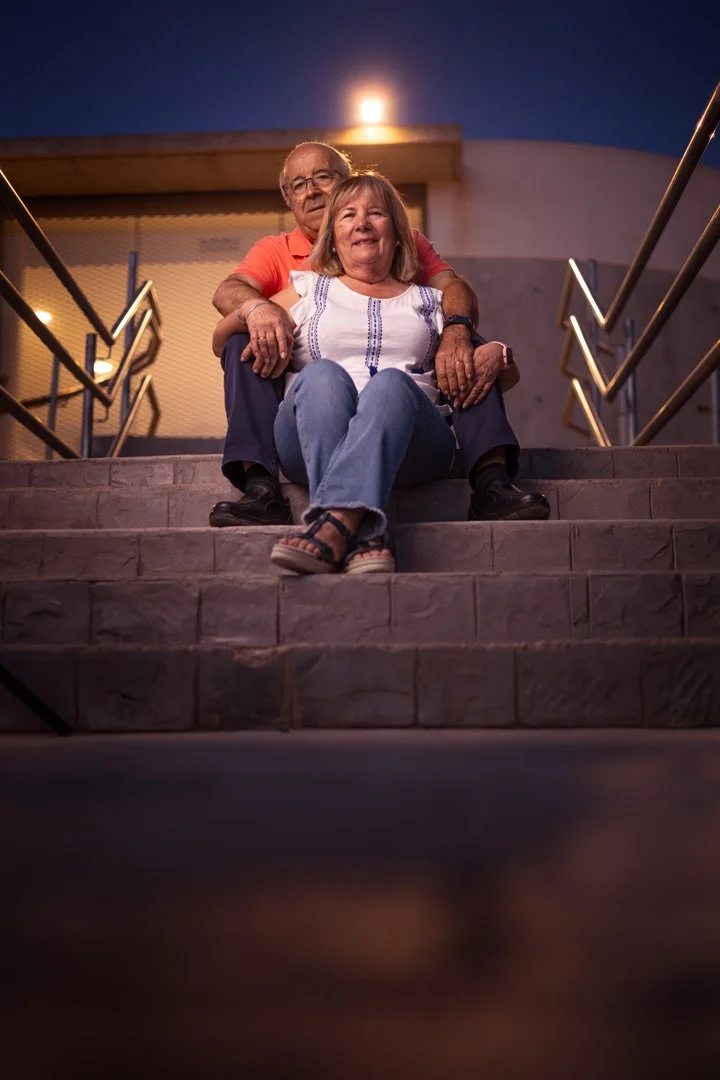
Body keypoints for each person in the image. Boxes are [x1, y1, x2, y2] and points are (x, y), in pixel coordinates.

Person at [211, 173, 548, 575]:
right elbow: (223, 343)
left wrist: (499, 353)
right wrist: (257, 309)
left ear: (399, 232)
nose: (362, 224)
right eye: (348, 216)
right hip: (311, 439)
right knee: (319, 376)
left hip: (412, 444)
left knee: (390, 384)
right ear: (332, 236)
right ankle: (364, 533)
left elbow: (503, 376)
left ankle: (333, 527)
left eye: (376, 213)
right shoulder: (307, 291)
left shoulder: (433, 301)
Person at [209, 140, 485, 528]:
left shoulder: (400, 243)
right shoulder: (286, 262)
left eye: (323, 176)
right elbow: (226, 295)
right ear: (289, 198)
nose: (312, 190)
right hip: (311, 407)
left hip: (403, 414)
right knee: (253, 345)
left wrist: (468, 335)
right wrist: (260, 308)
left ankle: (491, 477)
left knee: (462, 341)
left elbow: (453, 289)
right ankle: (261, 483)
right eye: (298, 184)